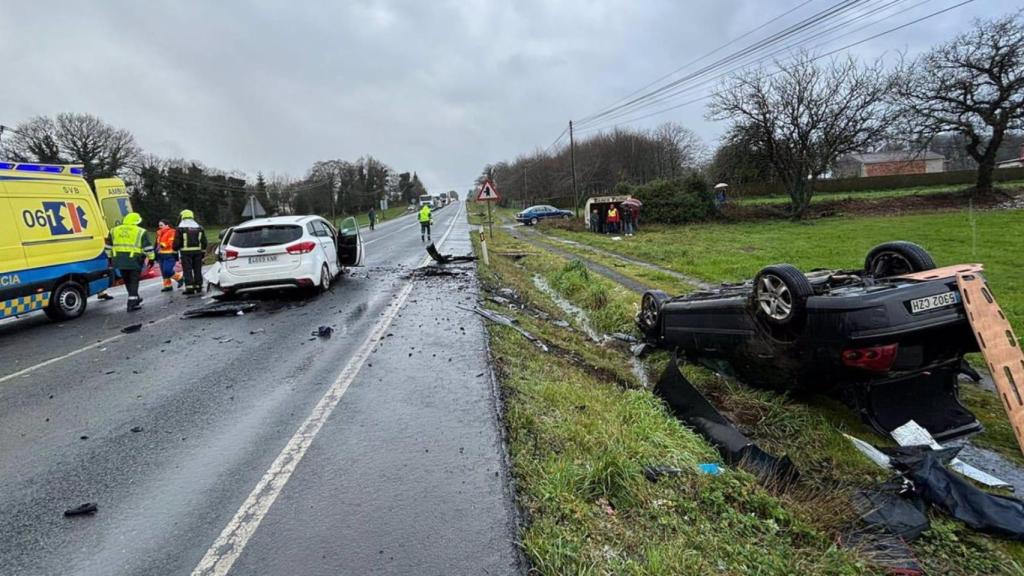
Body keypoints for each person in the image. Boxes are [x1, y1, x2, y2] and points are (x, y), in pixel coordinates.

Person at [107, 212, 154, 312]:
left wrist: (109, 258)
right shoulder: (141, 231)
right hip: (134, 260)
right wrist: (151, 258)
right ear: (136, 221)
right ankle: (132, 303)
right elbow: (147, 247)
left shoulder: (113, 230)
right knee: (133, 281)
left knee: (127, 280)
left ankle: (135, 298)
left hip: (119, 260)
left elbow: (108, 246)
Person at [174, 209, 208, 296]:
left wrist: (175, 250)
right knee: (197, 269)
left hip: (185, 253)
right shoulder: (199, 227)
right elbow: (204, 241)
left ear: (182, 217)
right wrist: (203, 252)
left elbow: (177, 241)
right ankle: (199, 286)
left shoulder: (180, 228)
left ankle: (190, 288)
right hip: (198, 252)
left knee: (187, 270)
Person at [155, 220, 183, 292]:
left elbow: (171, 242)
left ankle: (179, 278)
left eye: (161, 225)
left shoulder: (172, 232)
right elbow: (157, 243)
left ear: (167, 225)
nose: (159, 227)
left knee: (167, 270)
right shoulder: (159, 232)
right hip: (160, 254)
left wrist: (162, 245)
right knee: (163, 272)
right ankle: (168, 286)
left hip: (169, 254)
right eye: (159, 225)